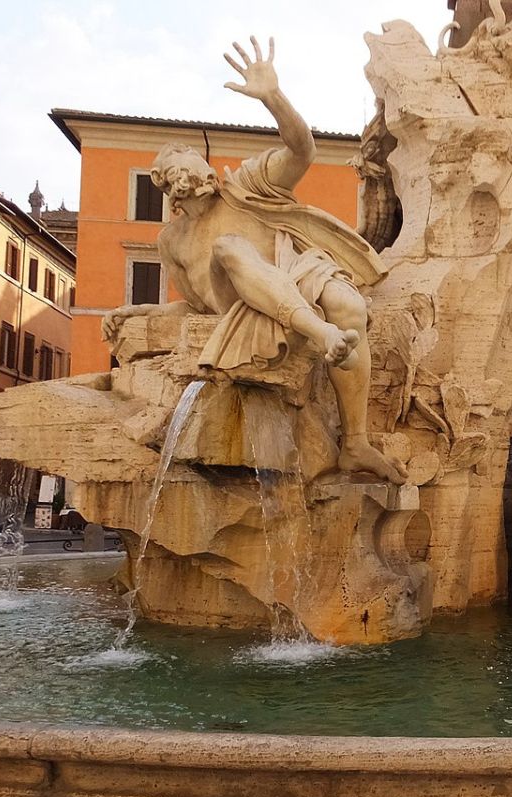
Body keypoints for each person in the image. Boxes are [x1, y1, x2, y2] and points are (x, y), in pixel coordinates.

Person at [102, 37, 405, 485]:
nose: (187, 177)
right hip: (239, 306)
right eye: (174, 176)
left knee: (351, 308)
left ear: (205, 168)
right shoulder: (174, 242)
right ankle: (320, 332)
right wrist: (140, 310)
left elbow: (303, 151)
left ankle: (355, 442)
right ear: (168, 190)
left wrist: (273, 98)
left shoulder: (248, 185)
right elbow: (194, 307)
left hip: (298, 273)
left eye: (191, 164)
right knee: (229, 248)